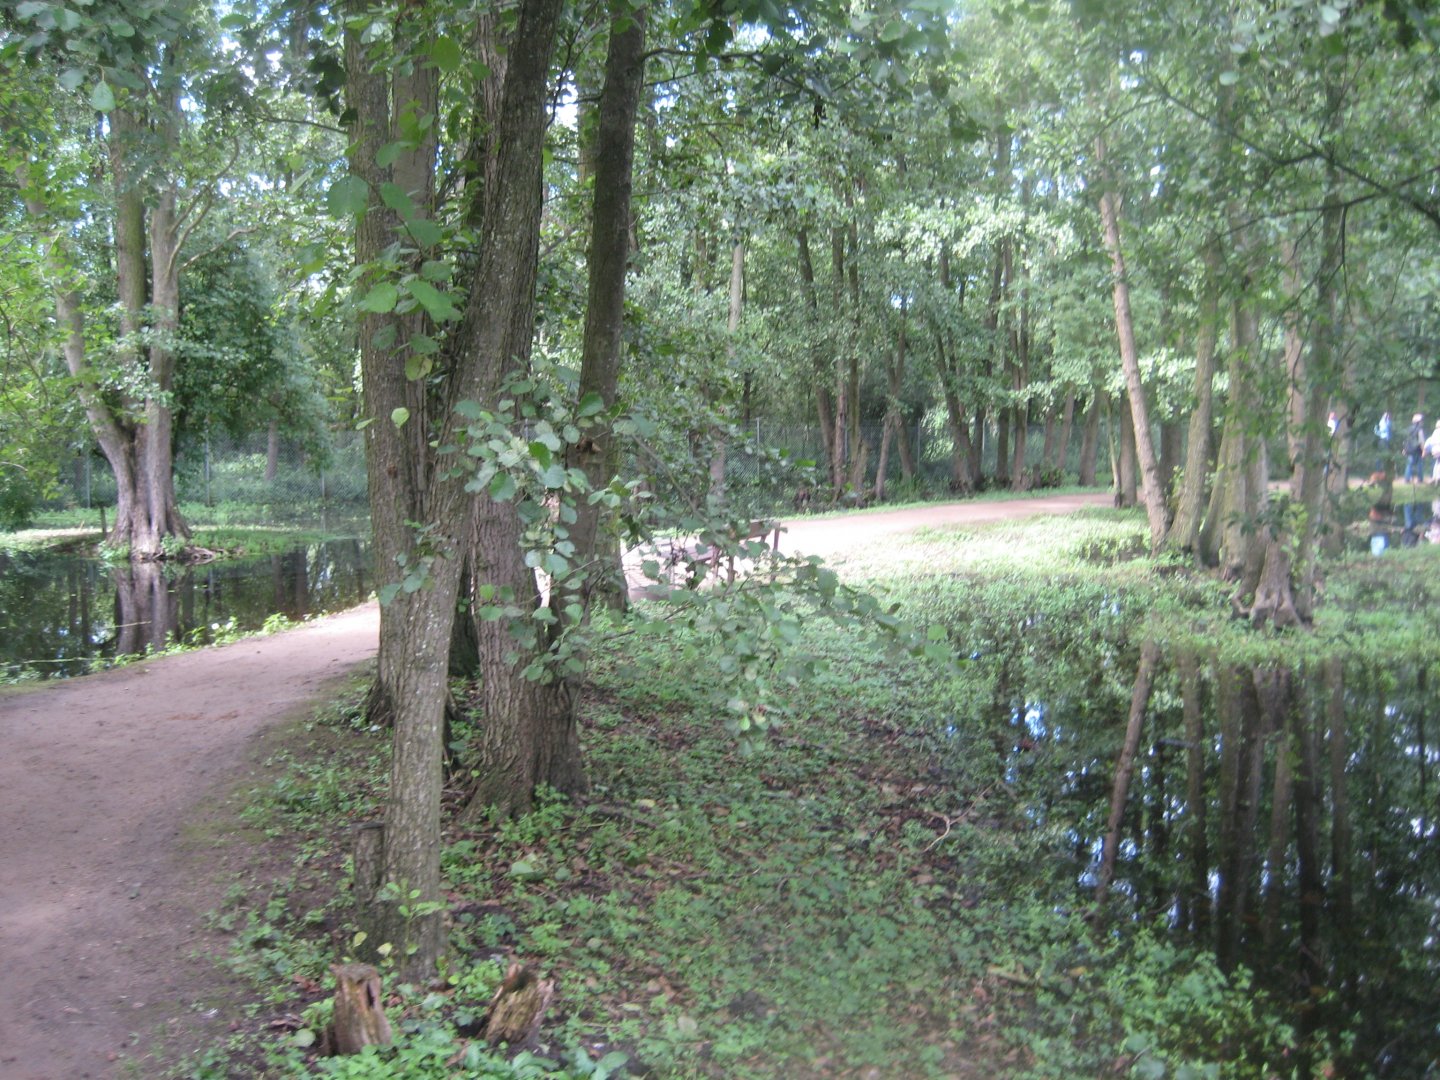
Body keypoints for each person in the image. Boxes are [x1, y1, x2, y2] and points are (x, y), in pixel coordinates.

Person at [1405, 413, 1425, 483]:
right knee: (1420, 464)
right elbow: (1421, 441)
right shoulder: (1419, 429)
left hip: (1410, 450)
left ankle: (1407, 479)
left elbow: (1406, 440)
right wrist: (1423, 450)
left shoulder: (1408, 429)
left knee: (1409, 464)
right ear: (1418, 422)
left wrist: (1404, 449)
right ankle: (1420, 479)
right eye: (1421, 420)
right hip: (1417, 449)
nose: (1422, 422)